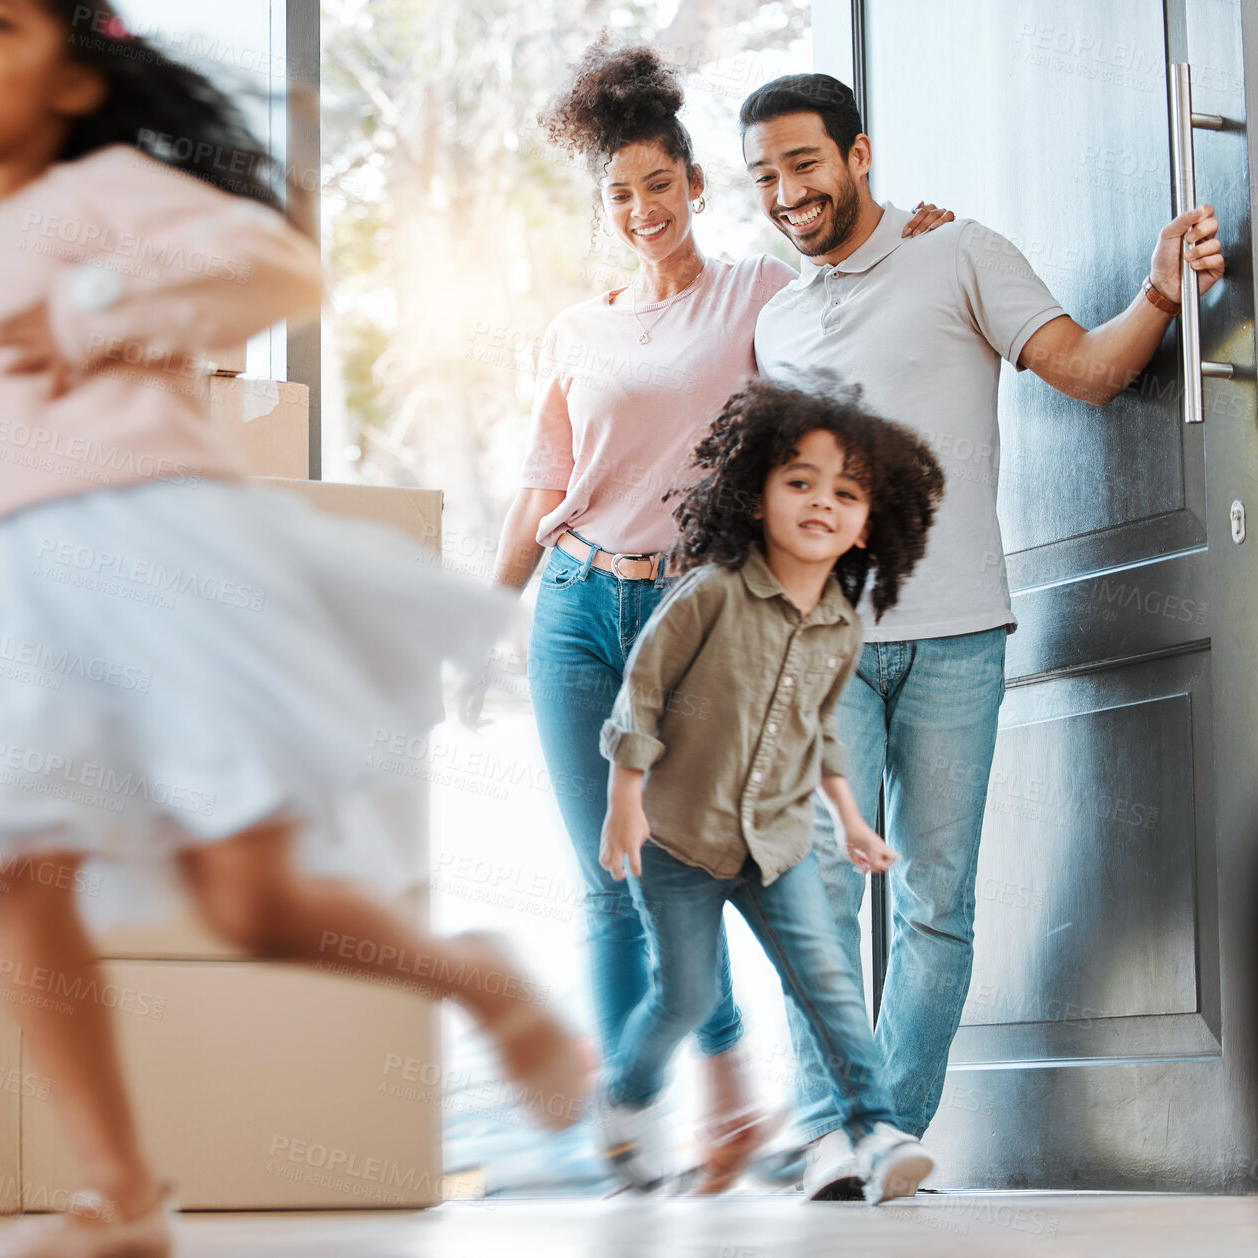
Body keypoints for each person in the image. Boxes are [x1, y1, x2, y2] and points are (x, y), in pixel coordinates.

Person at [0, 3, 587, 1256]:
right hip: (13, 596)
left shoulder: (110, 191)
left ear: (72, 82)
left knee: (251, 906)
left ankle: (478, 978)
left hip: (161, 557)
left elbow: (279, 270)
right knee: (12, 865)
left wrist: (90, 307)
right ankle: (122, 1193)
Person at [465, 34, 952, 1192]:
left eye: (658, 185)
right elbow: (544, 488)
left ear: (693, 185)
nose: (641, 208)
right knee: (607, 877)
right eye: (619, 193)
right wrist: (486, 609)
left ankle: (744, 1100)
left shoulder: (756, 296)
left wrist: (915, 248)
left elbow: (853, 302)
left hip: (692, 617)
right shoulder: (576, 330)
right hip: (577, 605)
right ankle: (636, 1133)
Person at [740, 72, 1226, 1199]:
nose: (785, 192)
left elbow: (1089, 373)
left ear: (858, 156)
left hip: (961, 633)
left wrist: (1158, 294)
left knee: (935, 898)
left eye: (803, 164)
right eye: (764, 175)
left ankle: (883, 1131)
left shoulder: (958, 253)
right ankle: (829, 1127)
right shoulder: (775, 318)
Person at [595, 377, 945, 1204]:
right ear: (755, 498)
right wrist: (624, 804)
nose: (823, 503)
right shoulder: (709, 595)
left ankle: (876, 1130)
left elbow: (819, 731)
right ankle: (627, 1099)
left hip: (777, 844)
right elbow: (638, 699)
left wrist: (852, 821)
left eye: (847, 492)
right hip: (679, 839)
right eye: (800, 482)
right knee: (686, 996)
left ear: (869, 525)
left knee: (824, 978)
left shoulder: (838, 625)